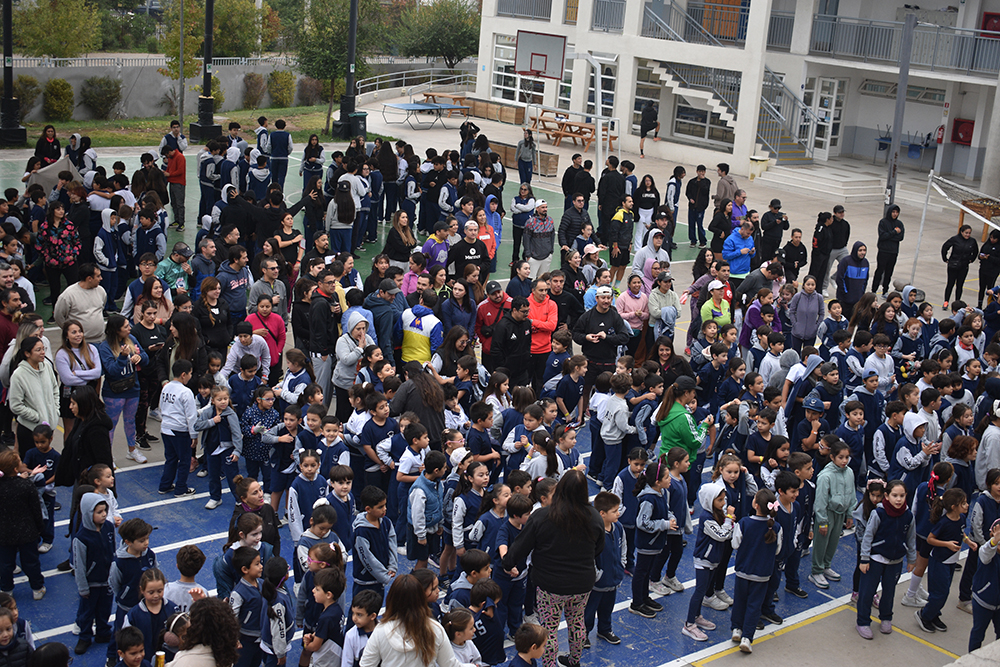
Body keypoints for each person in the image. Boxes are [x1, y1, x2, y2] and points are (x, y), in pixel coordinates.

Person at [502, 471, 603, 667]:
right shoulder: (594, 517)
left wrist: (507, 563)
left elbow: (522, 546)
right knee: (577, 622)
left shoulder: (543, 516)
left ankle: (549, 664)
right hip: (581, 583)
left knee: (549, 628)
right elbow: (598, 549)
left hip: (550, 585)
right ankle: (574, 661)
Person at [98, 315, 150, 464]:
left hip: (132, 388)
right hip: (114, 392)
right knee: (111, 424)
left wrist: (139, 358)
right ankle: (108, 455)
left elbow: (145, 357)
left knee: (130, 421)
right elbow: (111, 370)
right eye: (126, 326)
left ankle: (132, 450)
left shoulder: (131, 339)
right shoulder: (105, 347)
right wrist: (122, 357)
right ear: (116, 330)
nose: (130, 328)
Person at [0, 449, 45, 600]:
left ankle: (7, 590)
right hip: (27, 531)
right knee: (31, 562)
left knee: (6, 564)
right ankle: (37, 588)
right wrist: (39, 528)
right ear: (15, 469)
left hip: (4, 532)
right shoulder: (25, 486)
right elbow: (36, 509)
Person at [8, 336, 59, 458]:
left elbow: (55, 390)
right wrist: (37, 417)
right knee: (31, 469)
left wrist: (55, 411)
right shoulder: (18, 375)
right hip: (29, 430)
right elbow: (15, 405)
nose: (43, 353)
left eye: (43, 349)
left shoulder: (47, 366)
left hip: (48, 428)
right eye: (38, 350)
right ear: (27, 353)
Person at [54, 263, 107, 342]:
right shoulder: (68, 295)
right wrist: (71, 332)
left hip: (100, 340)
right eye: (98, 276)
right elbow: (58, 316)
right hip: (80, 342)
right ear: (89, 278)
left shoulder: (101, 291)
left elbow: (102, 307)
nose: (101, 278)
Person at [941, 224, 979, 310]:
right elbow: (945, 247)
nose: (968, 235)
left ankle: (957, 302)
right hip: (953, 265)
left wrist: (971, 259)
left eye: (969, 233)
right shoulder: (955, 239)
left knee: (960, 285)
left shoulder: (972, 241)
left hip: (964, 266)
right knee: (950, 284)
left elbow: (976, 251)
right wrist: (945, 258)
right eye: (966, 233)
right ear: (961, 232)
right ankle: (946, 301)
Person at [873, 205, 904, 297]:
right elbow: (883, 236)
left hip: (893, 252)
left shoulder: (899, 224)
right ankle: (874, 290)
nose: (895, 214)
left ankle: (885, 290)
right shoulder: (883, 222)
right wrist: (894, 232)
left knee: (889, 272)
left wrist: (889, 235)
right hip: (883, 251)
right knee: (880, 270)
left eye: (896, 212)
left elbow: (900, 237)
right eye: (893, 212)